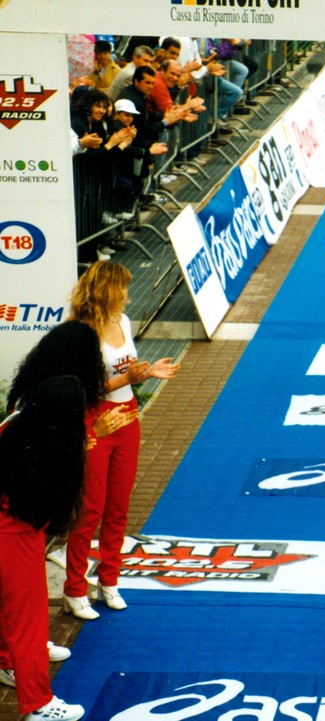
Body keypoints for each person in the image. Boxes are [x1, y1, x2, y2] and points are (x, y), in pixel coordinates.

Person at [62, 262, 180, 620]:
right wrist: (127, 378)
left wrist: (145, 372)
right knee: (90, 509)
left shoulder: (124, 321)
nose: (128, 294)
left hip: (127, 417)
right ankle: (74, 589)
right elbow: (83, 387)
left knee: (118, 507)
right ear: (107, 291)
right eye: (123, 288)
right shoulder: (82, 332)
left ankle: (109, 580)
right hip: (97, 419)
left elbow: (124, 371)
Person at [0, 377, 90, 721]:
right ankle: (38, 704)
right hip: (15, 534)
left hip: (13, 525)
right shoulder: (49, 448)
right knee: (29, 622)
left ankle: (6, 662)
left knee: (9, 612)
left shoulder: (14, 425)